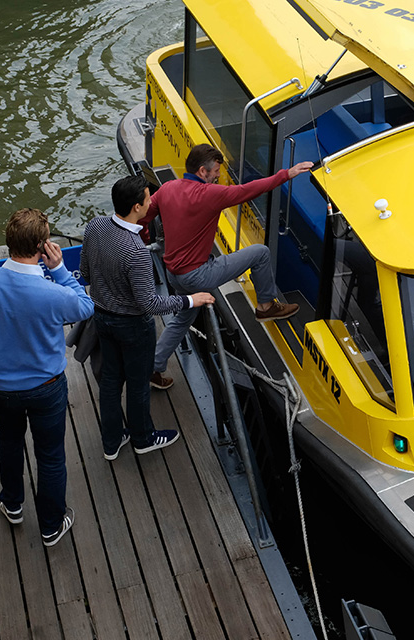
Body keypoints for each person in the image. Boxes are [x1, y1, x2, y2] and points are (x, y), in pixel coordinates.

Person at [0, 208, 93, 547]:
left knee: (9, 445)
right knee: (50, 456)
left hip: (1, 389)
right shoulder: (53, 293)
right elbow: (85, 307)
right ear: (43, 246)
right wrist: (60, 270)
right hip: (47, 389)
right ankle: (50, 526)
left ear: (8, 242)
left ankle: (13, 504)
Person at [142, 144, 313, 389]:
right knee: (260, 253)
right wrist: (287, 174)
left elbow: (145, 215)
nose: (219, 176)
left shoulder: (168, 188)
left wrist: (142, 235)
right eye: (216, 172)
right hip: (198, 275)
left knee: (182, 320)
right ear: (202, 171)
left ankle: (153, 368)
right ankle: (265, 306)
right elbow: (248, 191)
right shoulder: (211, 194)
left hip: (174, 274)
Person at [82, 175, 217, 461]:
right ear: (136, 207)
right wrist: (191, 299)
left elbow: (86, 274)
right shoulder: (135, 251)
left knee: (110, 381)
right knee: (139, 382)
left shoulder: (95, 227)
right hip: (132, 327)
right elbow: (151, 304)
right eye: (147, 198)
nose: (151, 202)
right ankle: (143, 438)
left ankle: (112, 441)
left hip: (103, 319)